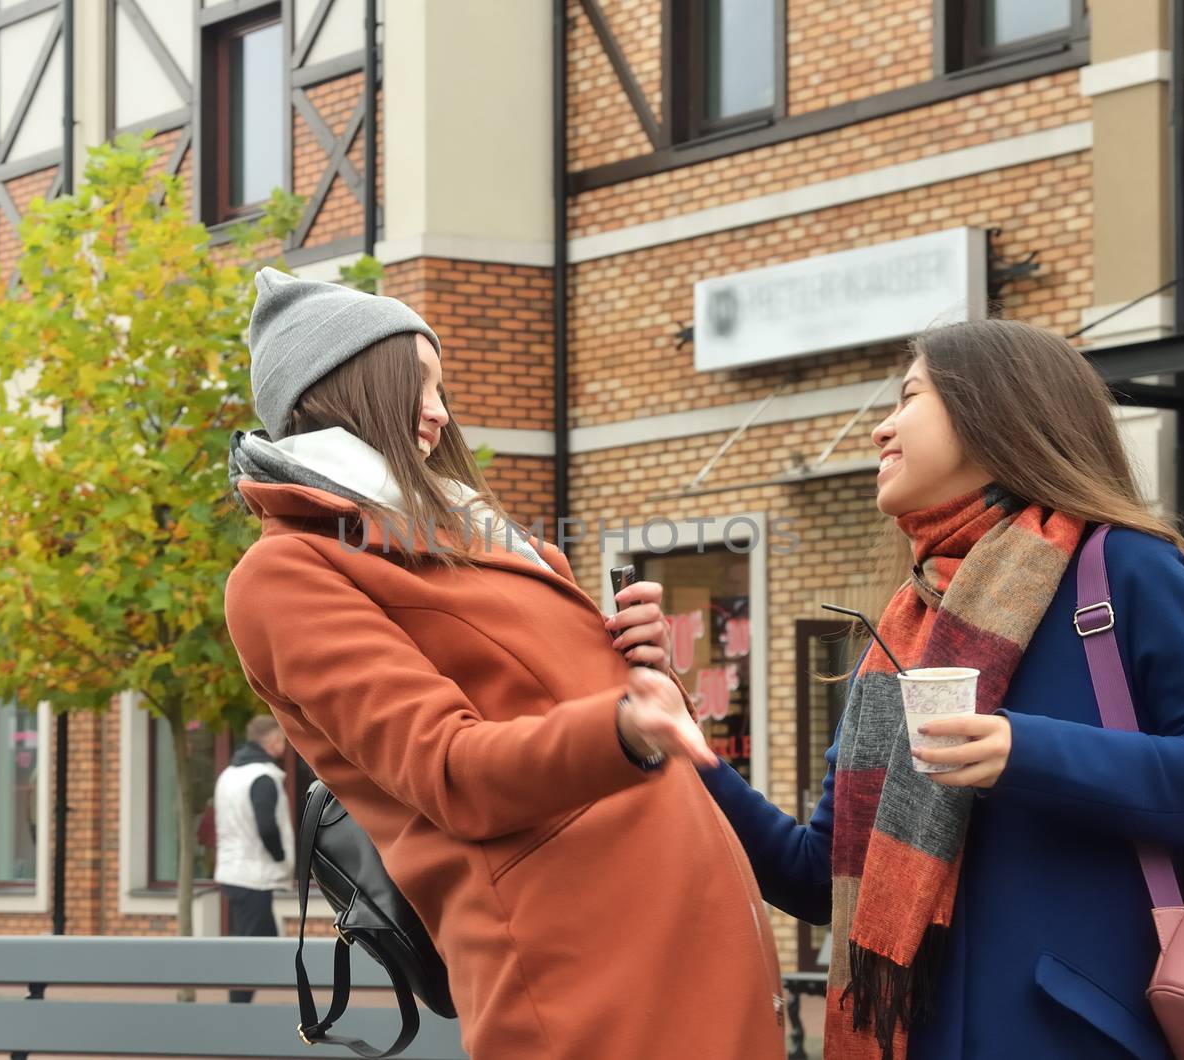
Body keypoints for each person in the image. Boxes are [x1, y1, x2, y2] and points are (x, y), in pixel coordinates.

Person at [223, 270, 787, 1060]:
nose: (439, 412)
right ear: (344, 389)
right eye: (415, 383)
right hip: (588, 976)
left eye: (440, 387)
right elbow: (449, 768)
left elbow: (577, 722)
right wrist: (622, 725)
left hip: (678, 940)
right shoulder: (286, 575)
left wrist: (638, 670)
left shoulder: (479, 537)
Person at [697, 319, 1184, 1060]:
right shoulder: (904, 627)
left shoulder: (1124, 568)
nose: (881, 428)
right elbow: (816, 876)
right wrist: (689, 753)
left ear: (992, 409)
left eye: (909, 397)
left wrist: (1021, 751)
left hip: (1079, 1037)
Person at [212, 714, 296, 1003]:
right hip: (253, 875)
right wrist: (281, 856)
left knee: (257, 943)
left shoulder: (229, 775)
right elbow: (267, 826)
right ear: (273, 741)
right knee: (257, 948)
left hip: (233, 872)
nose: (284, 747)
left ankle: (242, 1006)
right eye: (283, 741)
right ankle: (239, 1010)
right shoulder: (263, 777)